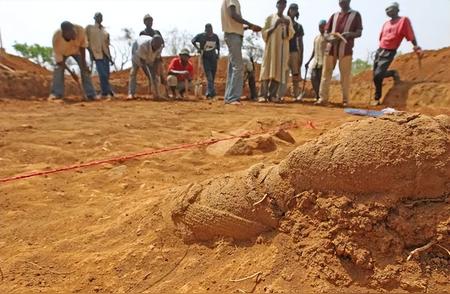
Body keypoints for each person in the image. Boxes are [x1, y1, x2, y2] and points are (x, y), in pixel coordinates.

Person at [372, 2, 421, 106]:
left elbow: (410, 34)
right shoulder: (386, 23)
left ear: (397, 10)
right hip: (380, 50)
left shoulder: (403, 20)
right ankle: (392, 73)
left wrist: (415, 46)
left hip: (390, 50)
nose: (387, 11)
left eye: (390, 8)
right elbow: (381, 37)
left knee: (378, 74)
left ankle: (377, 98)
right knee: (376, 75)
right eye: (386, 9)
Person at [317, 0, 363, 107]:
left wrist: (349, 34)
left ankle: (345, 100)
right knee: (326, 74)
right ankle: (322, 98)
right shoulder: (334, 15)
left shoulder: (355, 15)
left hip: (346, 49)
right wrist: (329, 38)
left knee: (345, 76)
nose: (342, 2)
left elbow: (359, 32)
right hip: (331, 48)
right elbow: (326, 31)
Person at [221, 0, 262, 105]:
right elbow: (233, 15)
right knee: (238, 67)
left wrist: (248, 27)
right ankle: (233, 98)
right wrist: (251, 25)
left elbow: (233, 22)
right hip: (233, 36)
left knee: (233, 69)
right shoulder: (232, 1)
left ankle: (229, 97)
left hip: (232, 34)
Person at [49, 21, 96, 101]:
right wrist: (71, 73)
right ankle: (57, 94)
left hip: (77, 51)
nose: (75, 34)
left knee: (85, 68)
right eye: (71, 33)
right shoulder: (56, 39)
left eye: (74, 31)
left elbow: (82, 47)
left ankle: (90, 94)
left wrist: (84, 64)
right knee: (58, 69)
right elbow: (60, 61)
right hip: (63, 54)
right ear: (64, 33)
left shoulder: (80, 30)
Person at [258, 0, 294, 103]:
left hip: (282, 50)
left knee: (278, 71)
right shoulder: (270, 18)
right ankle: (262, 95)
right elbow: (264, 33)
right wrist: (275, 26)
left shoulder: (288, 19)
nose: (282, 5)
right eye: (280, 3)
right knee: (266, 70)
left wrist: (287, 26)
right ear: (277, 5)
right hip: (271, 49)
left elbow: (290, 34)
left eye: (284, 3)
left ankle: (272, 95)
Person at [86, 12, 114, 99]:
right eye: (98, 17)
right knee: (102, 74)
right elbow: (86, 42)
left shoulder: (105, 31)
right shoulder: (89, 28)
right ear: (94, 18)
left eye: (101, 17)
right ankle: (107, 92)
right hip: (96, 54)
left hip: (105, 55)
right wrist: (90, 52)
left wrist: (110, 57)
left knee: (106, 74)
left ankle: (105, 92)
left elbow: (107, 45)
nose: (99, 18)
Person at [140, 14, 168, 97]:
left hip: (157, 57)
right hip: (147, 57)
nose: (150, 22)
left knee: (161, 75)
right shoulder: (143, 33)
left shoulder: (157, 32)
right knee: (150, 75)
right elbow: (142, 45)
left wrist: (158, 54)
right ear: (144, 22)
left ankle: (164, 93)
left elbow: (162, 44)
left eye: (151, 21)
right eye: (148, 21)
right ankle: (153, 93)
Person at [127, 35, 164, 99]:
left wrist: (155, 74)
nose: (157, 48)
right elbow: (143, 63)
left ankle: (157, 94)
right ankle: (131, 94)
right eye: (156, 46)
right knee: (133, 73)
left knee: (155, 76)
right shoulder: (143, 45)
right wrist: (149, 76)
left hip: (150, 59)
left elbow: (157, 60)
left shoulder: (160, 47)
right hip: (137, 56)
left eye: (158, 46)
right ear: (152, 43)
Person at [192, 24, 220, 99]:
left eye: (211, 31)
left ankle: (212, 92)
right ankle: (209, 94)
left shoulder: (215, 36)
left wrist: (218, 54)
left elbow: (218, 46)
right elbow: (193, 41)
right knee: (209, 76)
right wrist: (198, 48)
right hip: (205, 58)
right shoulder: (201, 36)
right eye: (208, 31)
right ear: (205, 30)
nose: (209, 33)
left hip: (213, 58)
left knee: (213, 76)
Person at [304, 20, 327, 101]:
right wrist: (308, 61)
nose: (321, 28)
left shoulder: (327, 37)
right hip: (315, 62)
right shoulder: (316, 38)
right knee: (313, 78)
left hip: (323, 62)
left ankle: (321, 97)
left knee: (321, 80)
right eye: (320, 26)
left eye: (323, 26)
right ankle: (317, 95)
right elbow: (314, 51)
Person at [287, 3, 304, 99]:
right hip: (284, 51)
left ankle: (296, 94)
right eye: (292, 9)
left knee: (295, 74)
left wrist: (301, 55)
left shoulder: (299, 27)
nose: (293, 11)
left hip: (294, 52)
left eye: (295, 9)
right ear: (289, 10)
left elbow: (301, 42)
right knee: (283, 73)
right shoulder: (284, 23)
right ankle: (279, 94)